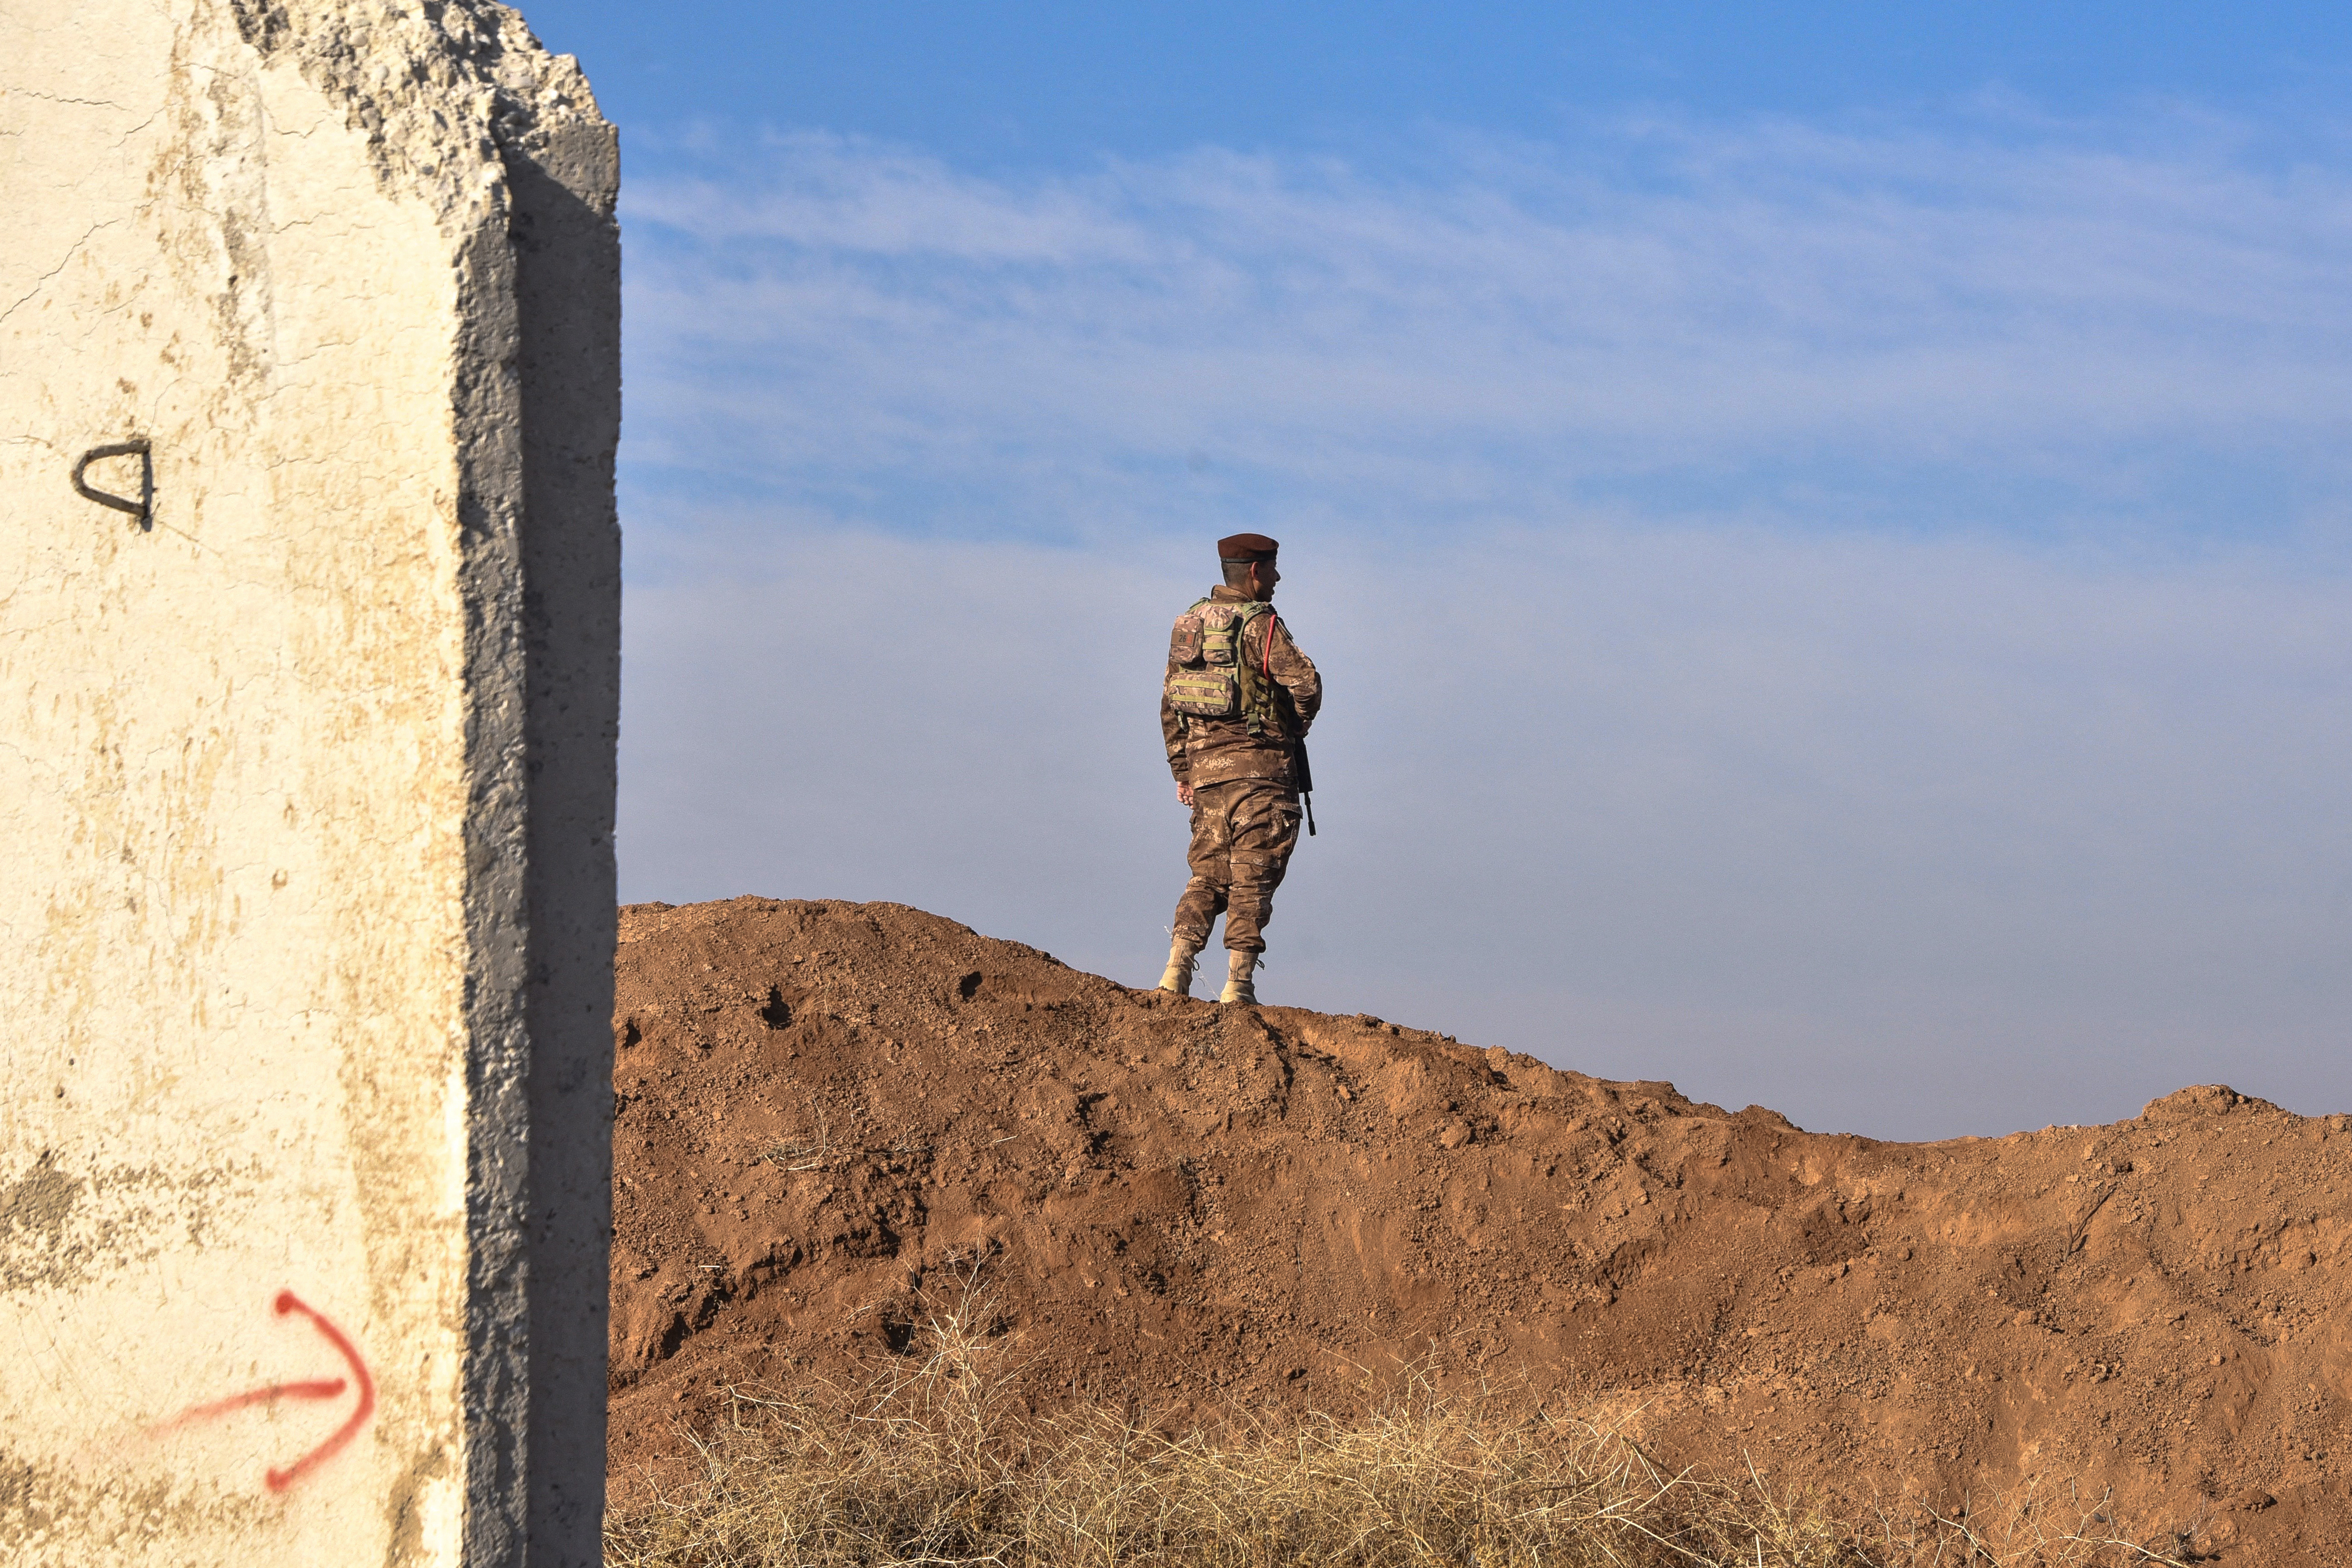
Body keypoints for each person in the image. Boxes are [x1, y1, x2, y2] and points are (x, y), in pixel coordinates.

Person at [1157, 532, 1321, 1005]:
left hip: (1208, 776)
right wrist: (1295, 727)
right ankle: (1238, 985)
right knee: (1253, 873)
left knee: (1206, 874)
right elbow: (1306, 684)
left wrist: (1182, 770)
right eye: (1272, 569)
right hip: (1262, 775)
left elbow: (1169, 706)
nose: (1277, 577)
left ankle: (1175, 972)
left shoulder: (1189, 623)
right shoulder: (1260, 624)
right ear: (1254, 572)